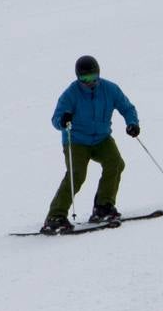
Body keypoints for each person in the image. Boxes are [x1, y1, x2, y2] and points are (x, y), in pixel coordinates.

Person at [42, 55, 141, 234]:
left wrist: (132, 123)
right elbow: (56, 119)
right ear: (78, 77)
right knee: (77, 174)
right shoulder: (71, 94)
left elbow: (127, 107)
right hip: (77, 140)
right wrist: (62, 121)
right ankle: (55, 216)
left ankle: (103, 206)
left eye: (93, 77)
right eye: (85, 79)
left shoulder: (110, 89)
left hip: (102, 138)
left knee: (116, 164)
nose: (90, 82)